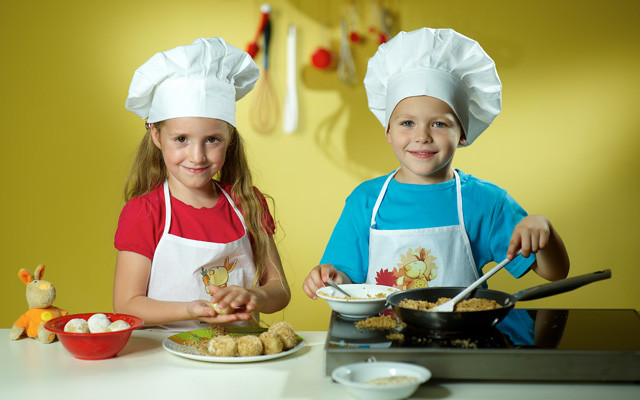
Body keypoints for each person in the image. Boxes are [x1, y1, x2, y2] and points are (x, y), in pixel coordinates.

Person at [303, 28, 570, 299]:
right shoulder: (365, 201)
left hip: (460, 337)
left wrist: (543, 228)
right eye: (407, 123)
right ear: (388, 131)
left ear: (463, 134)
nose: (422, 137)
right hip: (380, 338)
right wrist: (329, 278)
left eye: (439, 124)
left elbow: (555, 272)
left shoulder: (487, 202)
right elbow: (343, 279)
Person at [114, 37, 290, 329]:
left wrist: (255, 295)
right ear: (157, 136)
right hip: (164, 362)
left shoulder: (248, 201)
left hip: (240, 359)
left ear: (229, 138)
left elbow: (280, 290)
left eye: (212, 140)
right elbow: (126, 305)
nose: (197, 156)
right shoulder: (144, 212)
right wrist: (190, 310)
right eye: (181, 139)